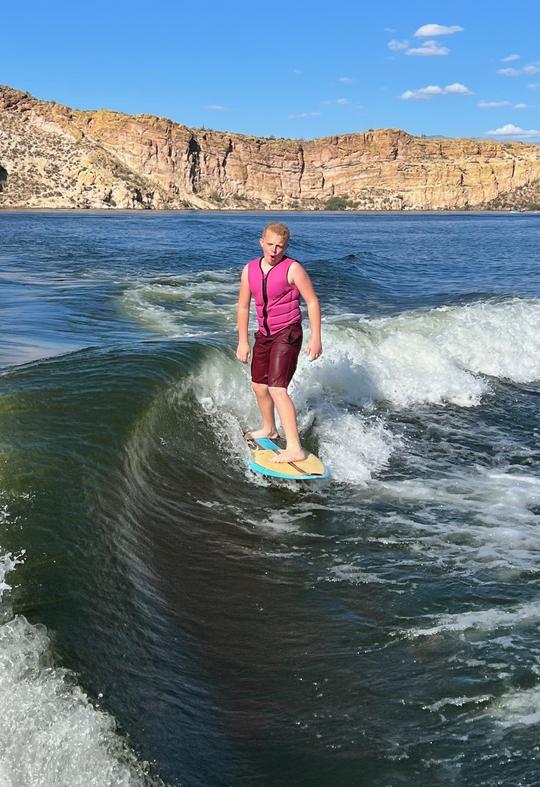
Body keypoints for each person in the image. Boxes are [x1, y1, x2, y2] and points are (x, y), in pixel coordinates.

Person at [236, 222, 322, 463]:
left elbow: (312, 302)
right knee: (259, 386)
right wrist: (243, 341)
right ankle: (269, 429)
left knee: (277, 388)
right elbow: (243, 306)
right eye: (270, 245)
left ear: (286, 246)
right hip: (264, 334)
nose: (274, 251)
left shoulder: (293, 269)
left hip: (288, 333)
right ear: (261, 242)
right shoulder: (249, 270)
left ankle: (295, 447)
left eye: (280, 247)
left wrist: (316, 338)